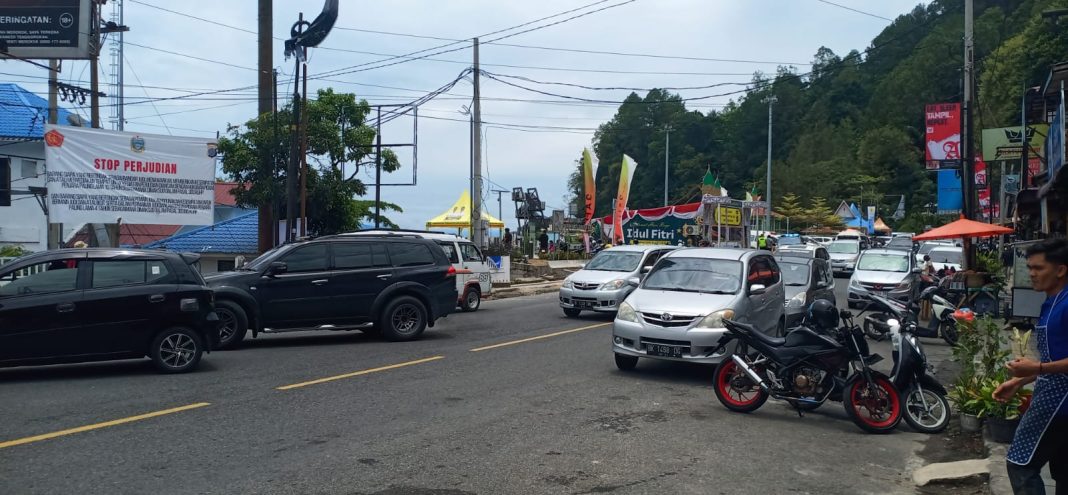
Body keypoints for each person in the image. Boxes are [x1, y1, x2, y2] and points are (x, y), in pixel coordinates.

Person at [994, 238, 1068, 494]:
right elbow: (1055, 357)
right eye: (1030, 268)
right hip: (1053, 397)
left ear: (1060, 270)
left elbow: (1045, 365)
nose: (1031, 274)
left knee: (1020, 463)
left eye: (1038, 268)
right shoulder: (1052, 301)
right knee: (1064, 473)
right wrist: (1019, 381)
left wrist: (1036, 370)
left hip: (1058, 403)